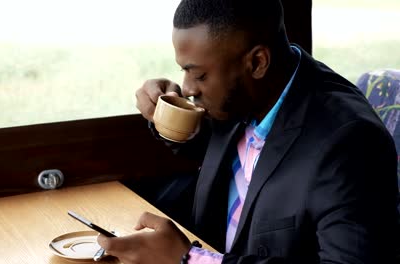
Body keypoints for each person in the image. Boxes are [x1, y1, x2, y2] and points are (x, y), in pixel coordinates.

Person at [97, 0, 400, 263]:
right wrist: (165, 113)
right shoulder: (246, 93)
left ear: (257, 62)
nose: (188, 88)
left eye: (199, 74)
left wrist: (189, 259)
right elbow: (220, 151)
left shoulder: (350, 142)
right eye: (185, 71)